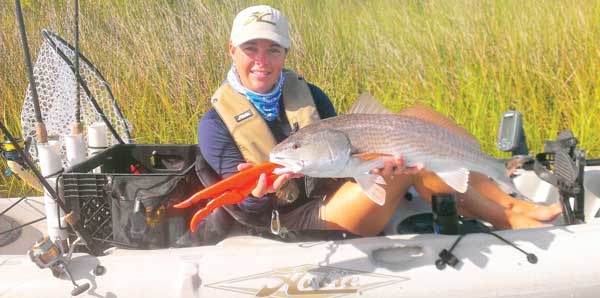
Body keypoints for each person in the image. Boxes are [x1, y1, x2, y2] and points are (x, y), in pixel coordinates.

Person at [197, 5, 561, 238]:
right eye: (250, 49)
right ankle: (506, 215)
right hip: (296, 221)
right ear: (232, 50)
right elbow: (246, 211)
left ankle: (510, 201)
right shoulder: (215, 125)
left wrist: (375, 166)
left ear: (285, 53)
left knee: (417, 121)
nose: (262, 60)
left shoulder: (309, 95)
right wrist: (258, 193)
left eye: (273, 49)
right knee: (406, 160)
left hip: (340, 187)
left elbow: (341, 161)